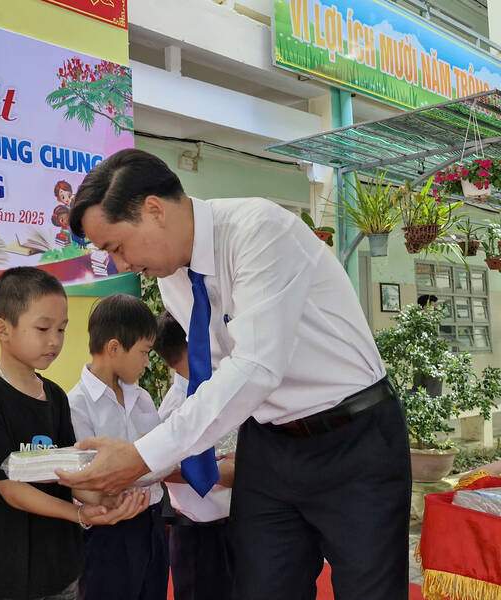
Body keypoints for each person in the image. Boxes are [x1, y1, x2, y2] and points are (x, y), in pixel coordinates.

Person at [58, 148, 411, 599]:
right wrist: (140, 464)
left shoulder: (260, 232)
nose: (121, 265)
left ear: (153, 209)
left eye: (117, 247)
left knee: (370, 591)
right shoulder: (173, 281)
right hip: (268, 447)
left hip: (353, 439)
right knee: (259, 587)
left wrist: (142, 457)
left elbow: (255, 367)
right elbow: (220, 375)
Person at [0, 267, 150, 600]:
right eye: (43, 328)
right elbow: (10, 489)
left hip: (60, 568)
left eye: (61, 329)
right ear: (2, 329)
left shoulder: (56, 396)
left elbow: (70, 472)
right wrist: (78, 513)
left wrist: (109, 501)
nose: (55, 340)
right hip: (5, 574)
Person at [67, 294, 168, 600]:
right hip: (108, 531)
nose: (147, 363)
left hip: (152, 520)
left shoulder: (142, 397)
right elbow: (90, 481)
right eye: (143, 352)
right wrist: (144, 466)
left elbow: (160, 458)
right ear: (113, 348)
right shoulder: (78, 405)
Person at [152, 312, 236, 600]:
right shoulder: (174, 409)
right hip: (198, 535)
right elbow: (159, 467)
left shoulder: (220, 386)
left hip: (237, 527)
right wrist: (212, 476)